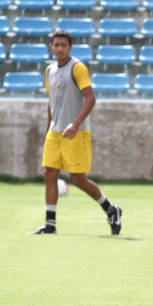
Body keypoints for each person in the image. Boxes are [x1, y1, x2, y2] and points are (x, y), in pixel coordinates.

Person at [30, 30, 122, 235]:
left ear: (70, 48)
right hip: (55, 133)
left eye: (64, 45)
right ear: (51, 47)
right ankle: (50, 224)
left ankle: (111, 209)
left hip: (76, 132)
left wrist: (75, 123)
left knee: (78, 179)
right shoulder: (50, 70)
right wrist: (48, 127)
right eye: (56, 45)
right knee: (49, 172)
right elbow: (52, 101)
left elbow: (91, 98)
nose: (60, 48)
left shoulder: (77, 68)